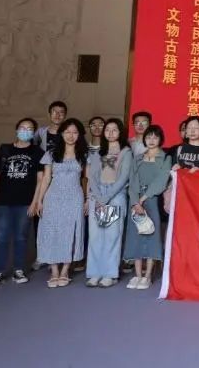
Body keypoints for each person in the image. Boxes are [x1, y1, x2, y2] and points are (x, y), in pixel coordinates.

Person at [0, 118, 44, 288]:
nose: (26, 131)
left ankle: (19, 269)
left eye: (30, 129)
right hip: (2, 201)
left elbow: (40, 180)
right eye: (22, 128)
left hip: (25, 202)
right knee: (1, 237)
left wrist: (35, 202)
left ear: (33, 133)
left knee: (21, 237)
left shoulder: (37, 152)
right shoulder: (5, 149)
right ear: (16, 130)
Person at [35, 118, 88, 288]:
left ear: (79, 135)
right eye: (67, 132)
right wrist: (39, 200)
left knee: (71, 232)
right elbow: (46, 179)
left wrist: (87, 199)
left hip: (74, 197)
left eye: (74, 132)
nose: (71, 136)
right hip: (53, 196)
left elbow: (87, 179)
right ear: (62, 134)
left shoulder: (84, 154)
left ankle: (65, 270)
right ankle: (54, 271)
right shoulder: (51, 153)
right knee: (51, 231)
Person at [85, 118, 131, 288]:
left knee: (112, 236)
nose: (110, 133)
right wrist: (98, 197)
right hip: (97, 195)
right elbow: (92, 176)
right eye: (107, 130)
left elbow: (124, 177)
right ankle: (94, 273)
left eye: (114, 130)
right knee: (96, 236)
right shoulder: (99, 152)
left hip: (115, 195)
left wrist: (106, 198)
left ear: (120, 132)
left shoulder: (126, 152)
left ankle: (110, 274)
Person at [123, 125, 170, 290]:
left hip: (152, 200)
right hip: (135, 200)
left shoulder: (165, 158)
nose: (151, 140)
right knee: (135, 235)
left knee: (152, 235)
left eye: (155, 137)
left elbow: (161, 181)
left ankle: (148, 275)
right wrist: (135, 202)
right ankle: (137, 274)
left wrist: (143, 199)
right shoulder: (138, 158)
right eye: (148, 137)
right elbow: (132, 181)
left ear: (160, 139)